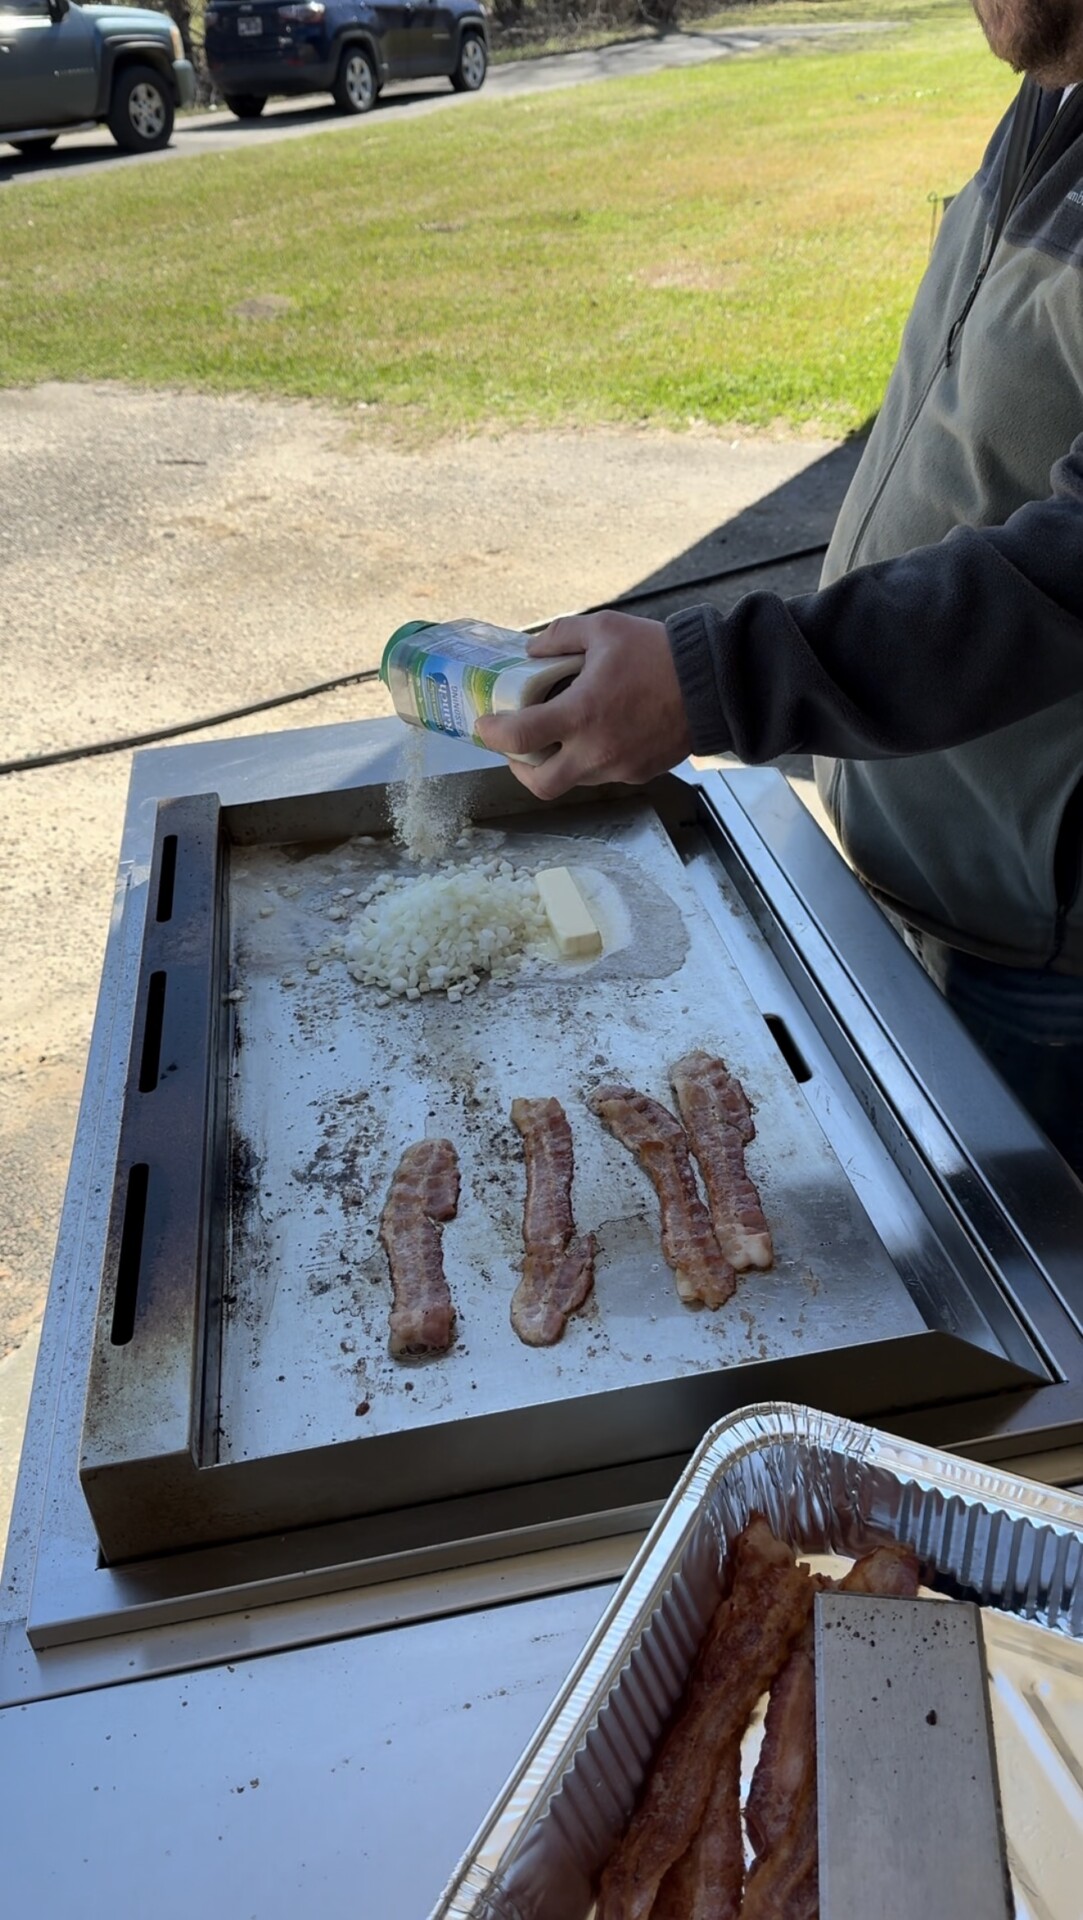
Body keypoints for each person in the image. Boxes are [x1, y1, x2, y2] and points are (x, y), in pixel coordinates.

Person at [476, 0, 1083, 1178]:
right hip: (929, 876)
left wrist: (722, 682)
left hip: (1045, 955)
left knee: (1038, 1329)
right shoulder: (1050, 89)